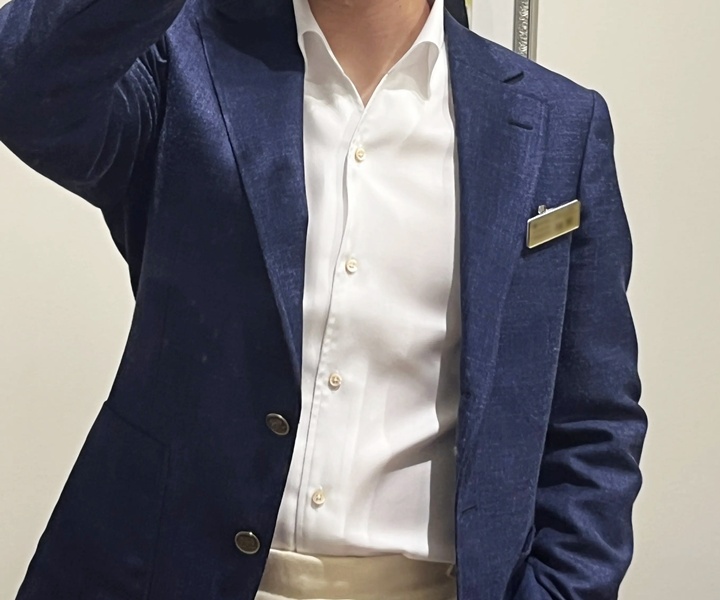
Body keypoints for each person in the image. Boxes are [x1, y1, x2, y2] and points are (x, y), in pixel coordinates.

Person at [0, 0, 647, 598]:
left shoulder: (557, 125)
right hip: (165, 574)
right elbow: (24, 89)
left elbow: (593, 424)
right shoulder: (182, 59)